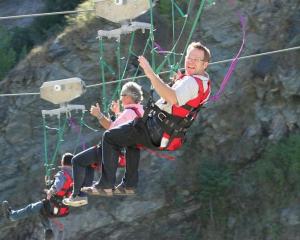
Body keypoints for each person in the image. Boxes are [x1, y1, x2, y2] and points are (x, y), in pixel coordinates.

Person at [81, 41, 212, 197]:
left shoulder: (191, 82)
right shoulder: (204, 84)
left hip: (155, 128)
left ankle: (105, 185)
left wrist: (149, 72)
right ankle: (128, 185)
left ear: (205, 65)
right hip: (168, 134)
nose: (190, 62)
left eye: (195, 60)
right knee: (131, 141)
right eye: (188, 58)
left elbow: (172, 98)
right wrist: (178, 82)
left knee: (109, 137)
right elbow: (183, 99)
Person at [63, 81, 144, 206]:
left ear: (129, 96)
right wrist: (117, 113)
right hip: (122, 151)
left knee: (76, 161)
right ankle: (81, 195)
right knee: (87, 164)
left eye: (122, 95)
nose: (121, 98)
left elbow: (111, 128)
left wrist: (98, 115)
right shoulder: (139, 110)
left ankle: (77, 196)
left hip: (109, 150)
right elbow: (123, 128)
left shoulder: (129, 112)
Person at [2, 153, 74, 240]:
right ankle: (48, 231)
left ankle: (12, 216)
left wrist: (52, 189)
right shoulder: (76, 177)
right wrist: (50, 183)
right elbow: (65, 187)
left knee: (31, 208)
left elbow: (58, 184)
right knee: (42, 210)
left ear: (62, 162)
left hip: (52, 206)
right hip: (63, 210)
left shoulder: (62, 174)